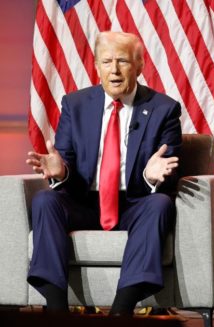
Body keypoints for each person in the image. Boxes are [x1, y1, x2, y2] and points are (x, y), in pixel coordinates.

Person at [25, 31, 182, 315]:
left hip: (134, 203)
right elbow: (67, 163)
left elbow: (169, 169)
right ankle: (56, 310)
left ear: (140, 65)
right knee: (45, 201)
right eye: (106, 61)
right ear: (96, 66)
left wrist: (151, 175)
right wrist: (61, 173)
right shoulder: (75, 104)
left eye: (122, 61)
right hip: (85, 202)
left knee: (160, 204)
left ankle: (122, 310)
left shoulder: (164, 109)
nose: (114, 70)